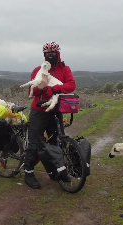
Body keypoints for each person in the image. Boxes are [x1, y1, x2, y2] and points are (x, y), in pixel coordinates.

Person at [24, 41, 76, 189]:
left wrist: (54, 89)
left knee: (56, 141)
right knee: (35, 143)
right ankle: (28, 173)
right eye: (47, 54)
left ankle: (58, 171)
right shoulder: (38, 70)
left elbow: (71, 85)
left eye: (53, 53)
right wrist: (41, 88)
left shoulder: (64, 69)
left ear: (58, 53)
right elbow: (31, 92)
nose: (50, 56)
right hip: (39, 112)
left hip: (55, 111)